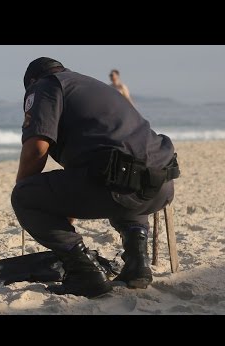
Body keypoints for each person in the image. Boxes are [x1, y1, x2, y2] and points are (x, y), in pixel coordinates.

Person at [11, 57, 179, 298]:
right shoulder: (92, 86)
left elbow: (36, 149)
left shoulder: (45, 86)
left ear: (32, 82)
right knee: (124, 171)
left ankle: (83, 272)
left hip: (117, 185)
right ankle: (137, 263)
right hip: (161, 185)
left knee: (24, 195)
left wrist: (25, 191)